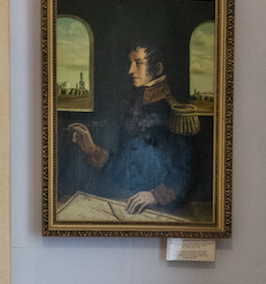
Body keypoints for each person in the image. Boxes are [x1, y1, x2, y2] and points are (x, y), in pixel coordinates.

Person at [67, 40, 197, 212]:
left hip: (159, 209)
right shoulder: (133, 104)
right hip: (125, 201)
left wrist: (155, 196)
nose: (131, 70)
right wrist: (92, 149)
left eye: (138, 63)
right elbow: (125, 163)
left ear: (158, 69)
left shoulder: (176, 112)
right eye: (131, 63)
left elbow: (184, 173)